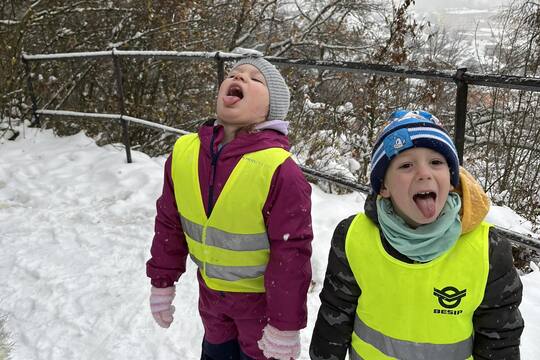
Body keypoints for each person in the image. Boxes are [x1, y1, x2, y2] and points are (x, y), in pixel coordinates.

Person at [309, 110, 524, 360]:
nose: (424, 173)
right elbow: (334, 316)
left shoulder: (488, 250)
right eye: (406, 165)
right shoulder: (353, 237)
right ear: (384, 187)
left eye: (436, 162)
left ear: (452, 178)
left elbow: (500, 341)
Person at [146, 56, 313, 360]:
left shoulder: (279, 169)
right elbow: (169, 222)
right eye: (235, 73)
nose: (240, 77)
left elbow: (291, 252)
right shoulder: (184, 153)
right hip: (211, 297)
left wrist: (285, 326)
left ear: (270, 110)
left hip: (260, 306)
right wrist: (162, 281)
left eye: (255, 79)